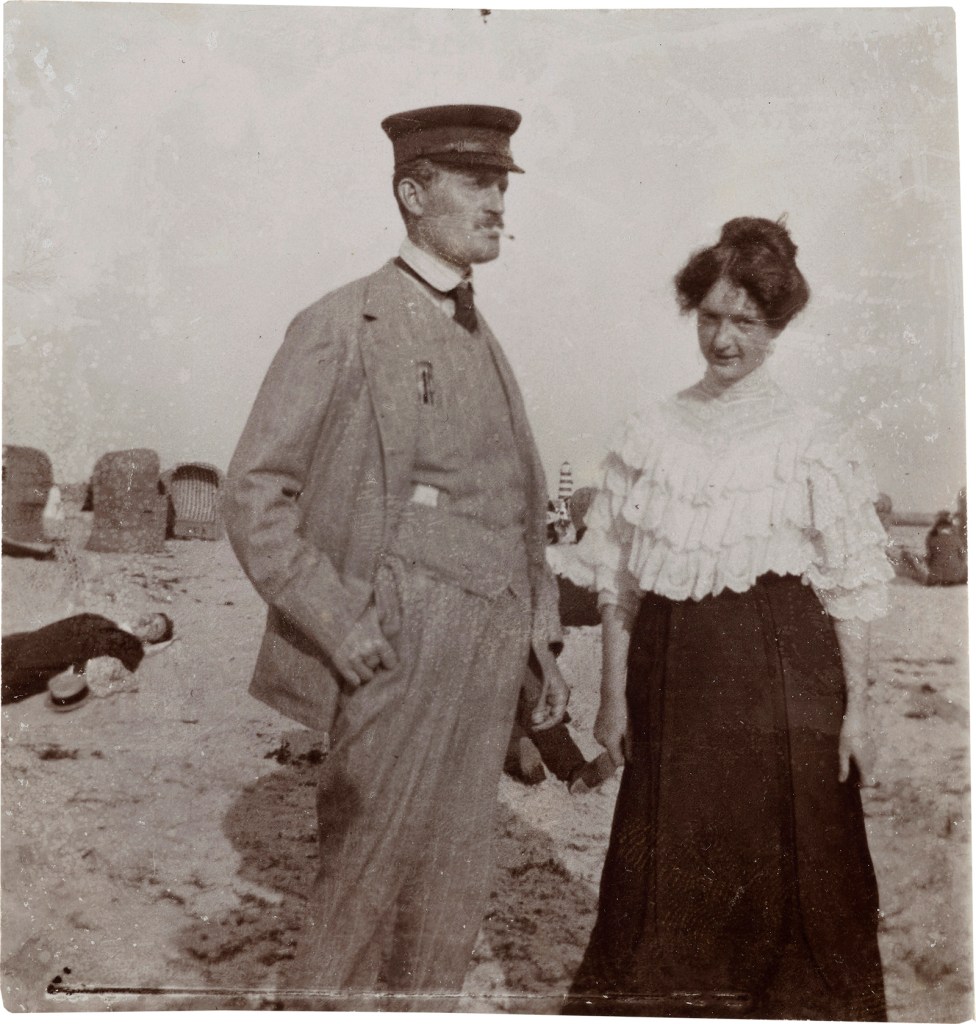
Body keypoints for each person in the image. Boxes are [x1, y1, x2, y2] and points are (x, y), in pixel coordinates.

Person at [222, 104, 568, 1010]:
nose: (497, 200)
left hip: (490, 648)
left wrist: (539, 638)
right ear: (413, 193)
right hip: (395, 637)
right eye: (474, 181)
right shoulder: (343, 322)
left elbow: (516, 508)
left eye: (501, 182)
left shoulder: (482, 336)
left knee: (451, 894)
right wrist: (337, 623)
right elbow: (254, 492)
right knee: (361, 885)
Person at [561, 217, 893, 1019]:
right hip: (677, 681)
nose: (723, 338)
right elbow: (621, 584)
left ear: (776, 328)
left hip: (786, 688)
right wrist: (611, 699)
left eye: (744, 321)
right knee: (669, 876)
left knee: (795, 875)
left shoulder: (814, 439)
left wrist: (858, 709)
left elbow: (850, 586)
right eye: (710, 316)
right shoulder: (651, 432)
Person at [2, 612, 174, 707]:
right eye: (151, 616)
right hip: (17, 644)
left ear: (151, 640)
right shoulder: (99, 619)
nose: (147, 621)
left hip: (30, 672)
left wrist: (76, 672)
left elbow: (93, 677)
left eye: (155, 627)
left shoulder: (131, 651)